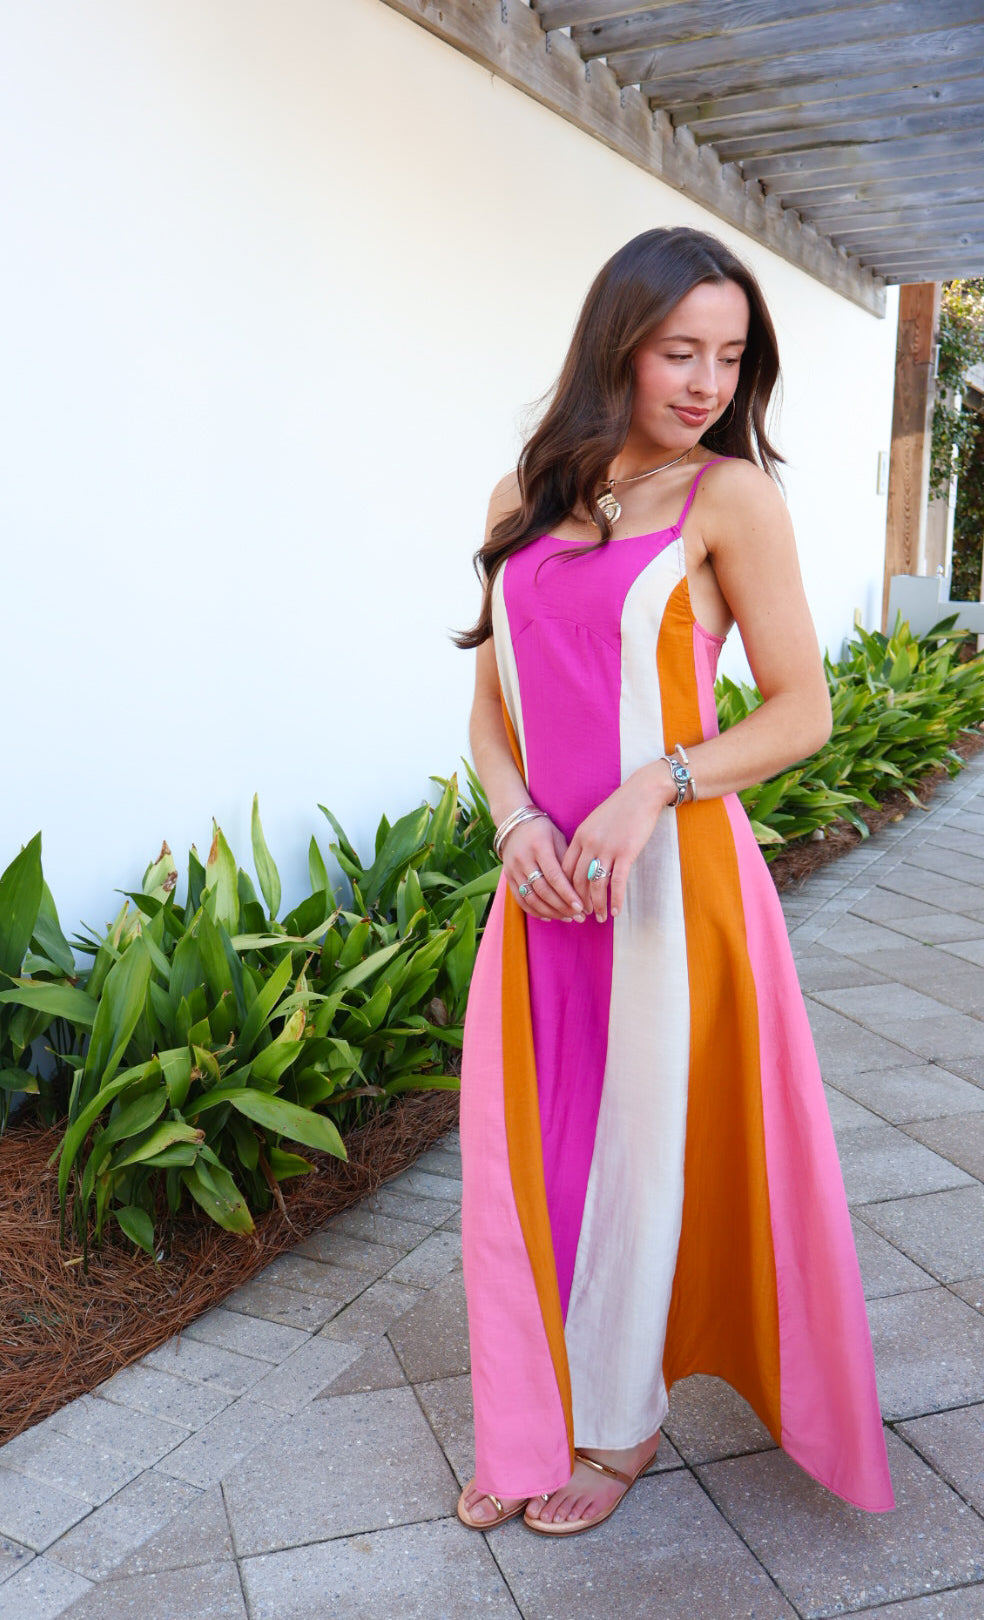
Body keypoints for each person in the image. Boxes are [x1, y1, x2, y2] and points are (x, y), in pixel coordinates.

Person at [449, 225, 895, 1537]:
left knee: (647, 1154)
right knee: (532, 1154)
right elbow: (488, 710)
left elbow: (804, 710)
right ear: (618, 346)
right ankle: (528, 1413)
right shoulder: (521, 495)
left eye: (731, 357)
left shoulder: (730, 499)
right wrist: (514, 825)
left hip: (674, 889)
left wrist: (659, 782)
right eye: (678, 351)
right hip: (544, 891)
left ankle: (619, 1421)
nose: (706, 383)